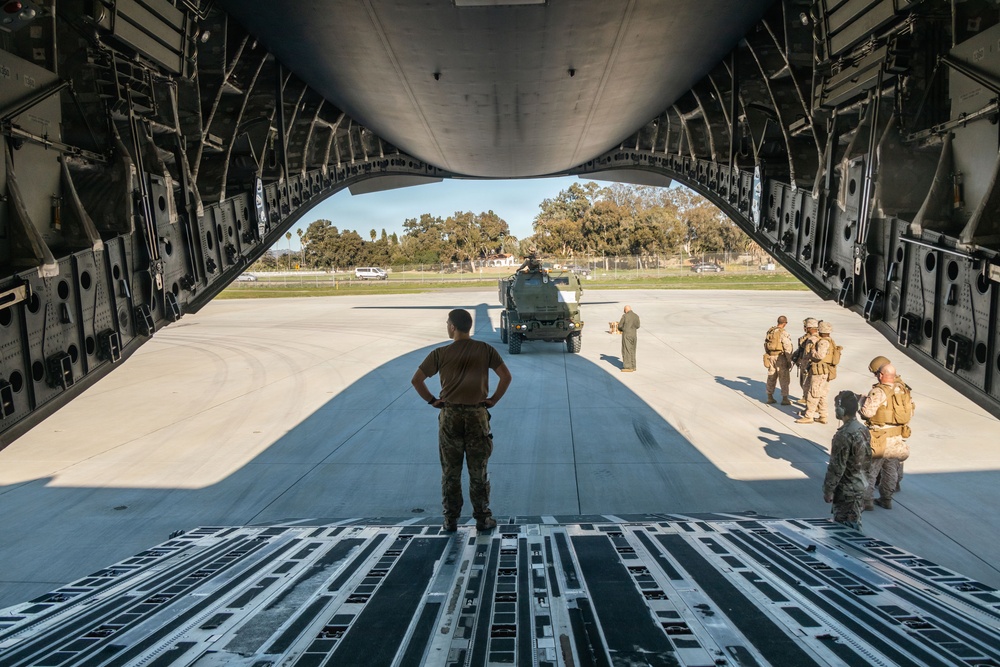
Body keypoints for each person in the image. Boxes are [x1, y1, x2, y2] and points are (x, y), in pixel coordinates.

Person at [411, 309, 512, 532]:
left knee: (450, 472)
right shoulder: (485, 350)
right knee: (478, 471)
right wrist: (493, 399)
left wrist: (432, 401)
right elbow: (506, 376)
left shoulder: (440, 353)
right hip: (477, 415)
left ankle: (450, 520)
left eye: (448, 323)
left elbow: (416, 380)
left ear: (453, 327)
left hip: (450, 417)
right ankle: (483, 518)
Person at [860, 359, 915, 510]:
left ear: (882, 375)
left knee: (871, 470)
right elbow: (910, 412)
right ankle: (886, 499)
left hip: (879, 437)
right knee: (891, 470)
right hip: (897, 437)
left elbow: (867, 413)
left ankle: (867, 501)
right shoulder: (903, 390)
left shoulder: (879, 391)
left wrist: (862, 402)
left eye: (878, 373)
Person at [823, 390, 871, 530]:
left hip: (847, 490)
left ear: (840, 410)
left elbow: (837, 467)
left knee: (847, 530)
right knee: (853, 523)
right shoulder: (863, 429)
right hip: (860, 485)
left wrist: (828, 490)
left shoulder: (844, 435)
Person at [796, 320, 841, 424]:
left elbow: (819, 356)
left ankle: (809, 416)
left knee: (813, 393)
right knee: (822, 394)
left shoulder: (822, 342)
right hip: (824, 370)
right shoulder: (830, 341)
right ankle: (823, 416)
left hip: (819, 371)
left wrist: (812, 350)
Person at [763, 315, 794, 405]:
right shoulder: (783, 333)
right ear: (785, 323)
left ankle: (770, 397)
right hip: (780, 358)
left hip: (771, 356)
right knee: (783, 378)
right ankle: (785, 399)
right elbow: (787, 347)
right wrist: (789, 360)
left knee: (771, 377)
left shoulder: (771, 331)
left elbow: (766, 344)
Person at [791, 318, 819, 403]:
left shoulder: (816, 338)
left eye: (805, 326)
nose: (804, 328)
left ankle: (811, 403)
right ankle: (805, 397)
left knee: (809, 385)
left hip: (809, 365)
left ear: (810, 327)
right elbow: (801, 349)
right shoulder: (806, 337)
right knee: (803, 383)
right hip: (803, 363)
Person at [618, 305, 640, 372]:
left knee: (626, 350)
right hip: (634, 335)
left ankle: (628, 367)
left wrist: (623, 329)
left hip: (627, 334)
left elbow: (620, 326)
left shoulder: (625, 316)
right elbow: (638, 326)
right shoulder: (636, 316)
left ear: (626, 310)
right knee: (632, 350)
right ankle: (633, 366)